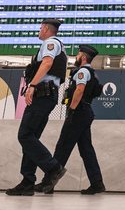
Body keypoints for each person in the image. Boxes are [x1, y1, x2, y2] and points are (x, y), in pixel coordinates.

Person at [6, 18, 68, 196]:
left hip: (42, 94)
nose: (39, 31)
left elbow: (47, 64)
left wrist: (31, 86)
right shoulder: (58, 45)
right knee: (31, 138)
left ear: (47, 29)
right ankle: (27, 181)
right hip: (48, 95)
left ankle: (53, 167)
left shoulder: (50, 43)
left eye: (41, 28)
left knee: (25, 135)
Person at [34, 45, 106, 194]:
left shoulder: (82, 72)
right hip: (86, 112)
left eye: (78, 55)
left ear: (84, 58)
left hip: (78, 113)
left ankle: (48, 183)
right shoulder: (92, 73)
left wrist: (71, 111)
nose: (76, 58)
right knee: (86, 150)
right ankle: (97, 183)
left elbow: (79, 91)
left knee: (62, 147)